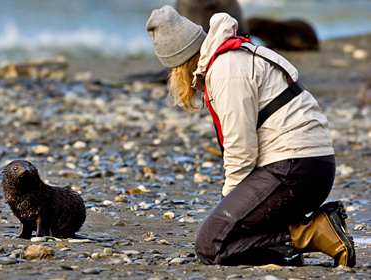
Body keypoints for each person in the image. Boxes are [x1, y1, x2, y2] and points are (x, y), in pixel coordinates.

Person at [146, 5, 355, 267]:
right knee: (225, 234)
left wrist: (231, 208)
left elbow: (240, 149)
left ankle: (312, 233)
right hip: (311, 165)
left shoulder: (226, 70)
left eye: (173, 70)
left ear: (181, 61)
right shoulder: (237, 53)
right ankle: (286, 251)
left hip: (294, 168)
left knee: (211, 246)